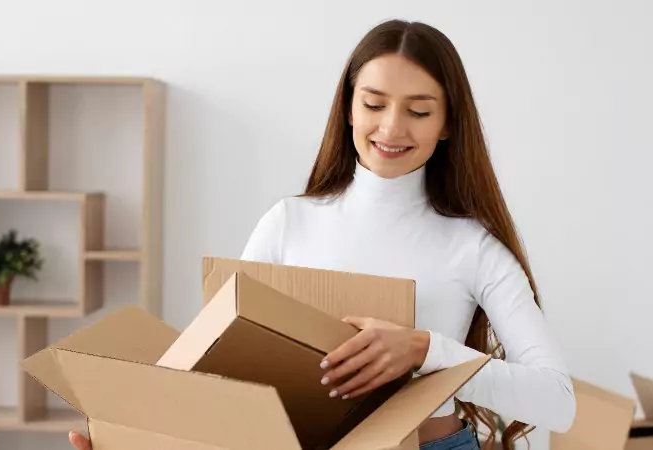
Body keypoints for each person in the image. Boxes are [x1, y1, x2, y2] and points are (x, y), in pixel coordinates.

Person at [68, 18, 575, 450]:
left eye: (419, 111)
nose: (392, 128)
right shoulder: (288, 223)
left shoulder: (474, 247)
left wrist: (427, 350)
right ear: (349, 108)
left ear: (447, 123)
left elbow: (558, 402)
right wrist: (128, 437)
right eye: (374, 104)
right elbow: (211, 380)